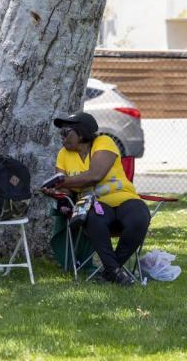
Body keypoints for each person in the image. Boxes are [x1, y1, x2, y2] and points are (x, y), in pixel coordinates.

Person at [49, 112, 150, 286]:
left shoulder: (103, 142)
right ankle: (115, 272)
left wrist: (62, 182)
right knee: (93, 220)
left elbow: (95, 175)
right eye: (61, 132)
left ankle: (110, 271)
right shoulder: (63, 154)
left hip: (124, 198)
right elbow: (62, 186)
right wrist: (58, 193)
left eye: (66, 131)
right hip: (92, 205)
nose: (62, 136)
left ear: (81, 133)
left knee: (139, 217)